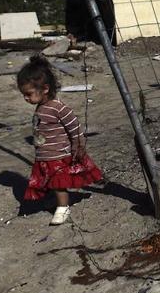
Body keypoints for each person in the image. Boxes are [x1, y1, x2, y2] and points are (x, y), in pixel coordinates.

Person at [17, 55, 102, 225]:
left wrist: (78, 145)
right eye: (24, 95)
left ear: (45, 89)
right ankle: (57, 200)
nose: (26, 98)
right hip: (45, 155)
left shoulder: (58, 107)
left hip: (58, 155)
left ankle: (63, 207)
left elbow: (74, 126)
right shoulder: (41, 107)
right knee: (48, 180)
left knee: (58, 182)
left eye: (29, 94)